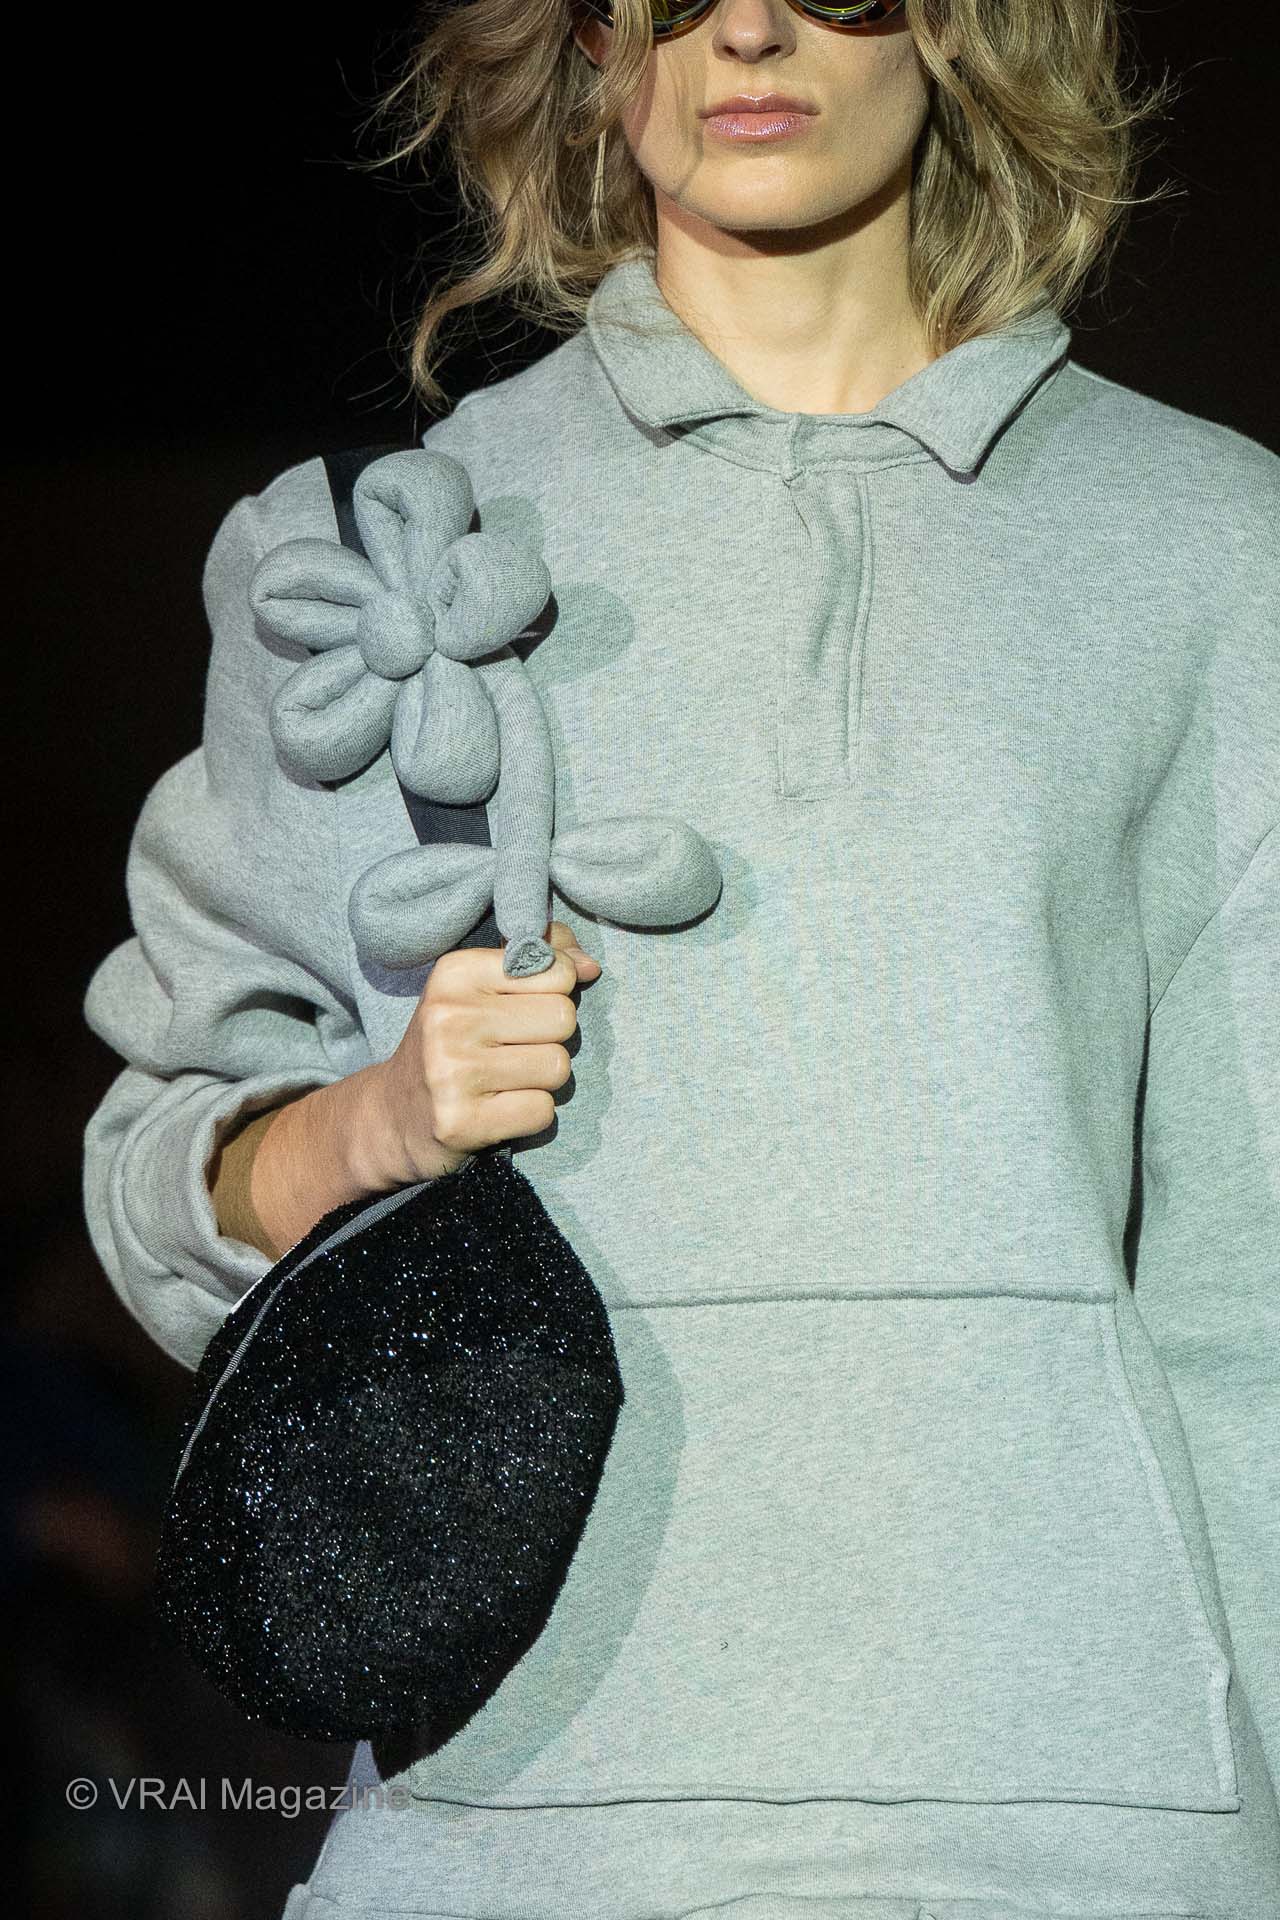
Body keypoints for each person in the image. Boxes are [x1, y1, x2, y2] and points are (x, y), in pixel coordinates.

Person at [81, 0, 1280, 1914]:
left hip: (1074, 1814)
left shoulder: (1212, 548)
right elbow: (163, 1178)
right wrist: (376, 1123)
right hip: (518, 1814)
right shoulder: (364, 563)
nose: (749, 28)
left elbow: (1253, 1294)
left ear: (965, 32)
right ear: (582, 46)